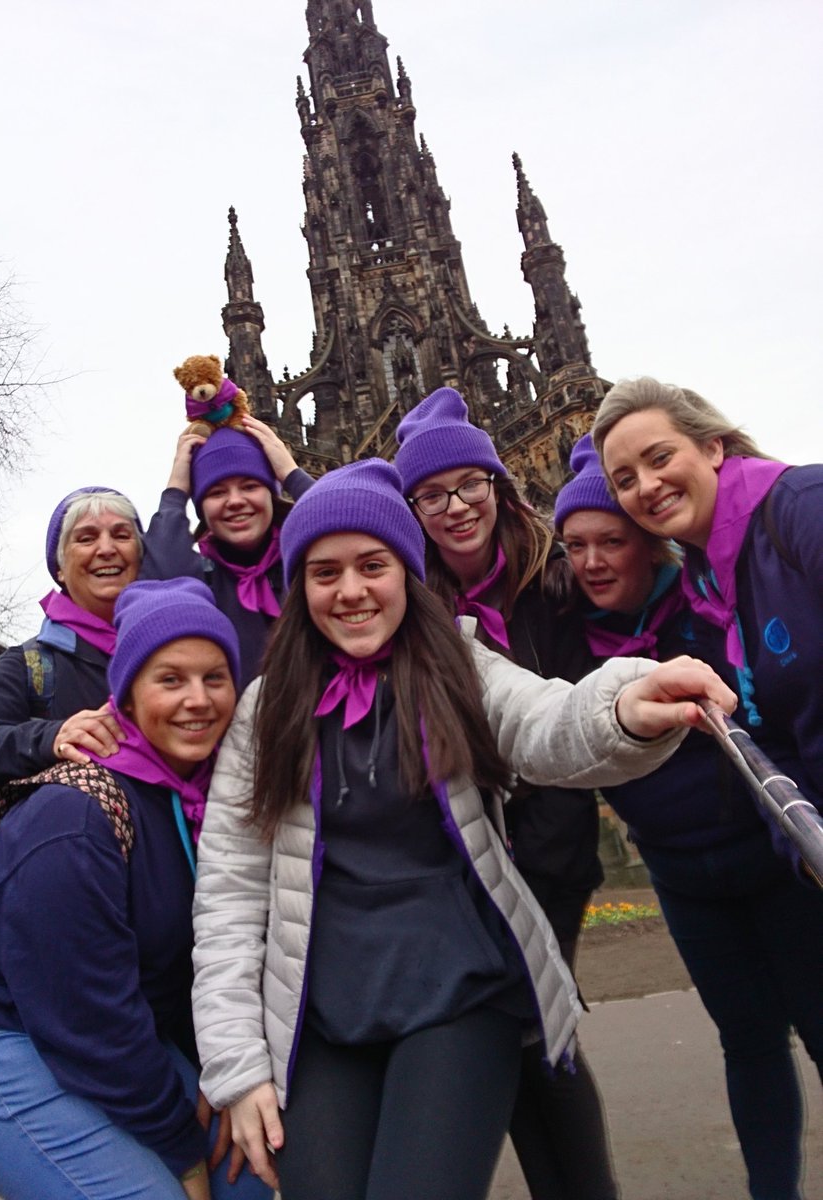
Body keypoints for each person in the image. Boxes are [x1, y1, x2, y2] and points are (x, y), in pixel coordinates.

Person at [191, 458, 737, 1200]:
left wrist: (624, 704)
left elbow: (546, 720)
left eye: (372, 565)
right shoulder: (265, 709)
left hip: (457, 989)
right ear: (300, 587)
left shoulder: (459, 665)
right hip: (321, 1009)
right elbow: (228, 890)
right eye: (324, 573)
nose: (350, 591)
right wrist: (237, 1066)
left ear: (406, 573)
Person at [0, 578, 271, 1200]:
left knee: (248, 1179)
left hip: (100, 1024)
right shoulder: (74, 818)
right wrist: (178, 1143)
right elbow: (82, 1011)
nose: (197, 700)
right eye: (170, 679)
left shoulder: (198, 798)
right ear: (128, 696)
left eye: (214, 678)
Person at [582, 388, 823, 1200]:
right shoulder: (721, 584)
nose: (594, 560)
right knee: (749, 1044)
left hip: (777, 858)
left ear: (712, 447)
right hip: (693, 873)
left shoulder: (787, 518)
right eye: (574, 544)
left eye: (612, 538)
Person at [394, 387, 616, 1200]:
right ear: (411, 506)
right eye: (431, 493)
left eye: (469, 485)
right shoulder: (408, 599)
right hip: (455, 853)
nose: (454, 506)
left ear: (498, 485)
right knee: (513, 1036)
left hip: (549, 851)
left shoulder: (553, 580)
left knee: (538, 1030)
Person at [0, 487, 143, 798]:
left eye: (121, 535)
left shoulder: (179, 650)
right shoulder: (34, 665)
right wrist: (50, 738)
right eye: (86, 538)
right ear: (60, 569)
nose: (106, 548)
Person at [140, 414, 315, 683]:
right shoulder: (204, 581)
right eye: (217, 492)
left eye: (250, 486)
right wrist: (175, 492)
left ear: (272, 494)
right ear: (201, 508)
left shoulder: (308, 563)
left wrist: (292, 474)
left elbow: (356, 531)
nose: (235, 501)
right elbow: (160, 572)